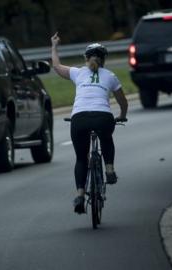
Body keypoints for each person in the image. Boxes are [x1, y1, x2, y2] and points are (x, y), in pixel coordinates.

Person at [50, 32, 128, 214]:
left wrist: (54, 46)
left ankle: (79, 194)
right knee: (106, 138)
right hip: (103, 117)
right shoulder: (110, 75)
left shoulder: (78, 72)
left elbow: (56, 66)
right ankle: (109, 169)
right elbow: (123, 101)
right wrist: (122, 115)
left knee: (81, 158)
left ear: (85, 58)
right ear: (104, 60)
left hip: (79, 118)